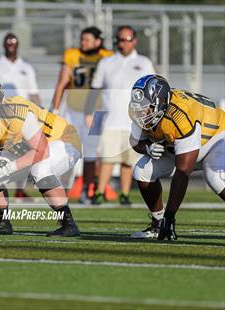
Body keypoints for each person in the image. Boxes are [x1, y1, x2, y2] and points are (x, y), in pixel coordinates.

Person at [0, 75, 82, 237]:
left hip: (63, 140)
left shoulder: (16, 110)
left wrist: (10, 167)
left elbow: (42, 150)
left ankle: (69, 223)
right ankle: (2, 223)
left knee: (39, 169)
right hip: (27, 148)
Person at [129, 74, 224, 240]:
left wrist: (170, 217)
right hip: (176, 145)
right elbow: (135, 141)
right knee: (141, 171)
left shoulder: (179, 115)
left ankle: (165, 220)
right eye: (139, 107)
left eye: (147, 107)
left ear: (160, 102)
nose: (142, 112)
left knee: (215, 177)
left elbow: (183, 172)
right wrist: (148, 148)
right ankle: (157, 224)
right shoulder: (137, 111)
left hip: (214, 137)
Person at [89, 25, 155, 205]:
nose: (122, 43)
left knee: (128, 161)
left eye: (126, 40)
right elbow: (95, 90)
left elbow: (152, 91)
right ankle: (100, 193)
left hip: (133, 122)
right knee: (107, 159)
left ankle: (124, 194)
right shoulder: (106, 62)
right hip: (109, 121)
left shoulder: (144, 62)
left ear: (134, 41)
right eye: (119, 39)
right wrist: (91, 114)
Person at [51, 27, 113, 202]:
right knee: (66, 150)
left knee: (92, 152)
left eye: (87, 39)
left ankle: (87, 190)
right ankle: (62, 189)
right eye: (82, 39)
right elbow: (62, 83)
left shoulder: (108, 57)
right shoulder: (72, 55)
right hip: (73, 111)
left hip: (98, 111)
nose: (82, 43)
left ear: (97, 41)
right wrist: (55, 110)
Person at [0, 32, 41, 199]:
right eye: (8, 44)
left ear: (18, 46)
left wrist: (39, 112)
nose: (11, 47)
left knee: (20, 150)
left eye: (13, 44)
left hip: (21, 116)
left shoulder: (26, 67)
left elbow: (33, 92)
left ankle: (19, 189)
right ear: (4, 45)